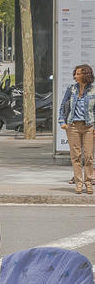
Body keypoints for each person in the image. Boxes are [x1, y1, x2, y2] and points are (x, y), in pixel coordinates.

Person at [58, 64, 95, 194]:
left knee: (89, 156)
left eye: (78, 74)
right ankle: (78, 183)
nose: (75, 76)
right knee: (76, 156)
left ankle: (89, 183)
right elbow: (63, 105)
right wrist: (62, 122)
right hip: (73, 126)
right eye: (75, 73)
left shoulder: (93, 90)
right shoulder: (71, 89)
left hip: (89, 126)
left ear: (86, 75)